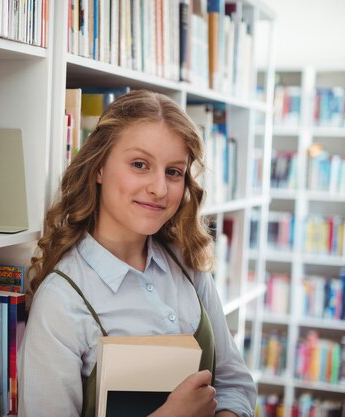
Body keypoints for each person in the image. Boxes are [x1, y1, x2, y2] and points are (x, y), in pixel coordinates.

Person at [17, 90, 257, 417]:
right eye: (140, 164)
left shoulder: (188, 265)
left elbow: (235, 383)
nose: (159, 188)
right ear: (99, 167)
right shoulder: (61, 302)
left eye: (173, 172)